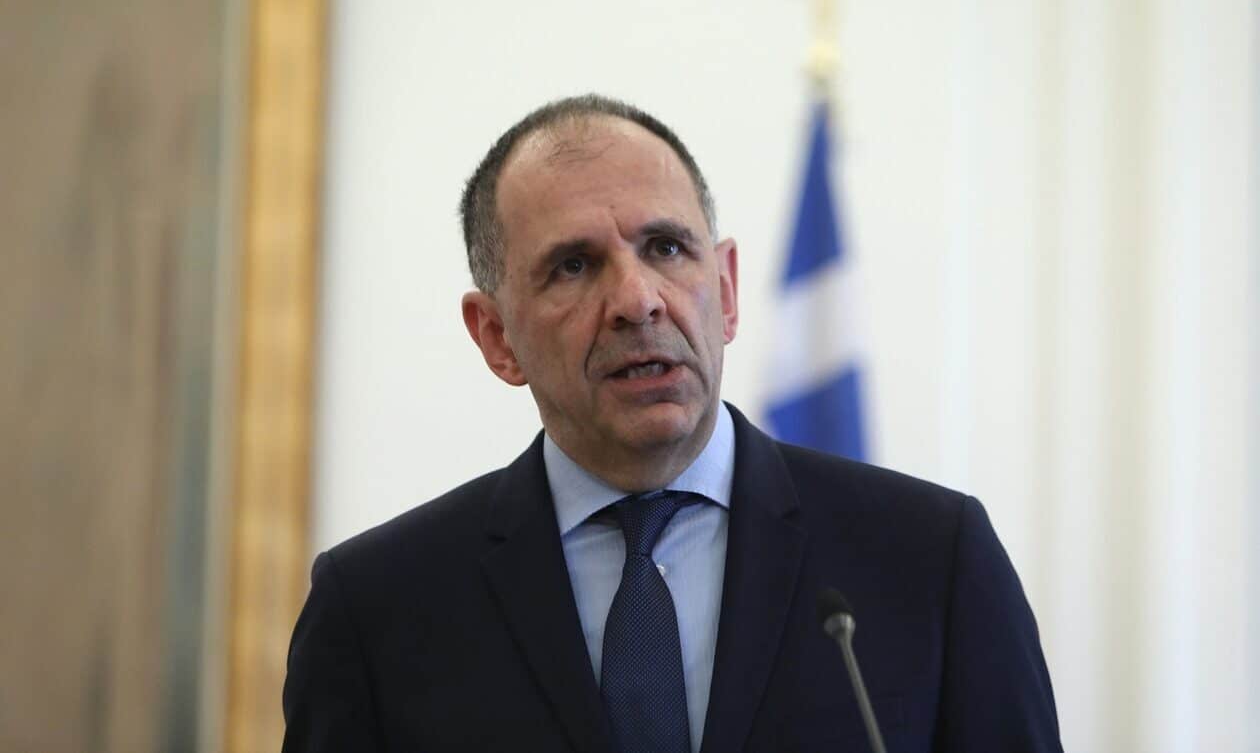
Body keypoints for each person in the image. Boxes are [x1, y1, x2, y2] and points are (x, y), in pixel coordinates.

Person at [282, 94, 1062, 753]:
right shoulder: (378, 609)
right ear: (496, 337)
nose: (638, 300)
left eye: (665, 247)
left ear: (725, 290)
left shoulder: (930, 561)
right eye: (574, 265)